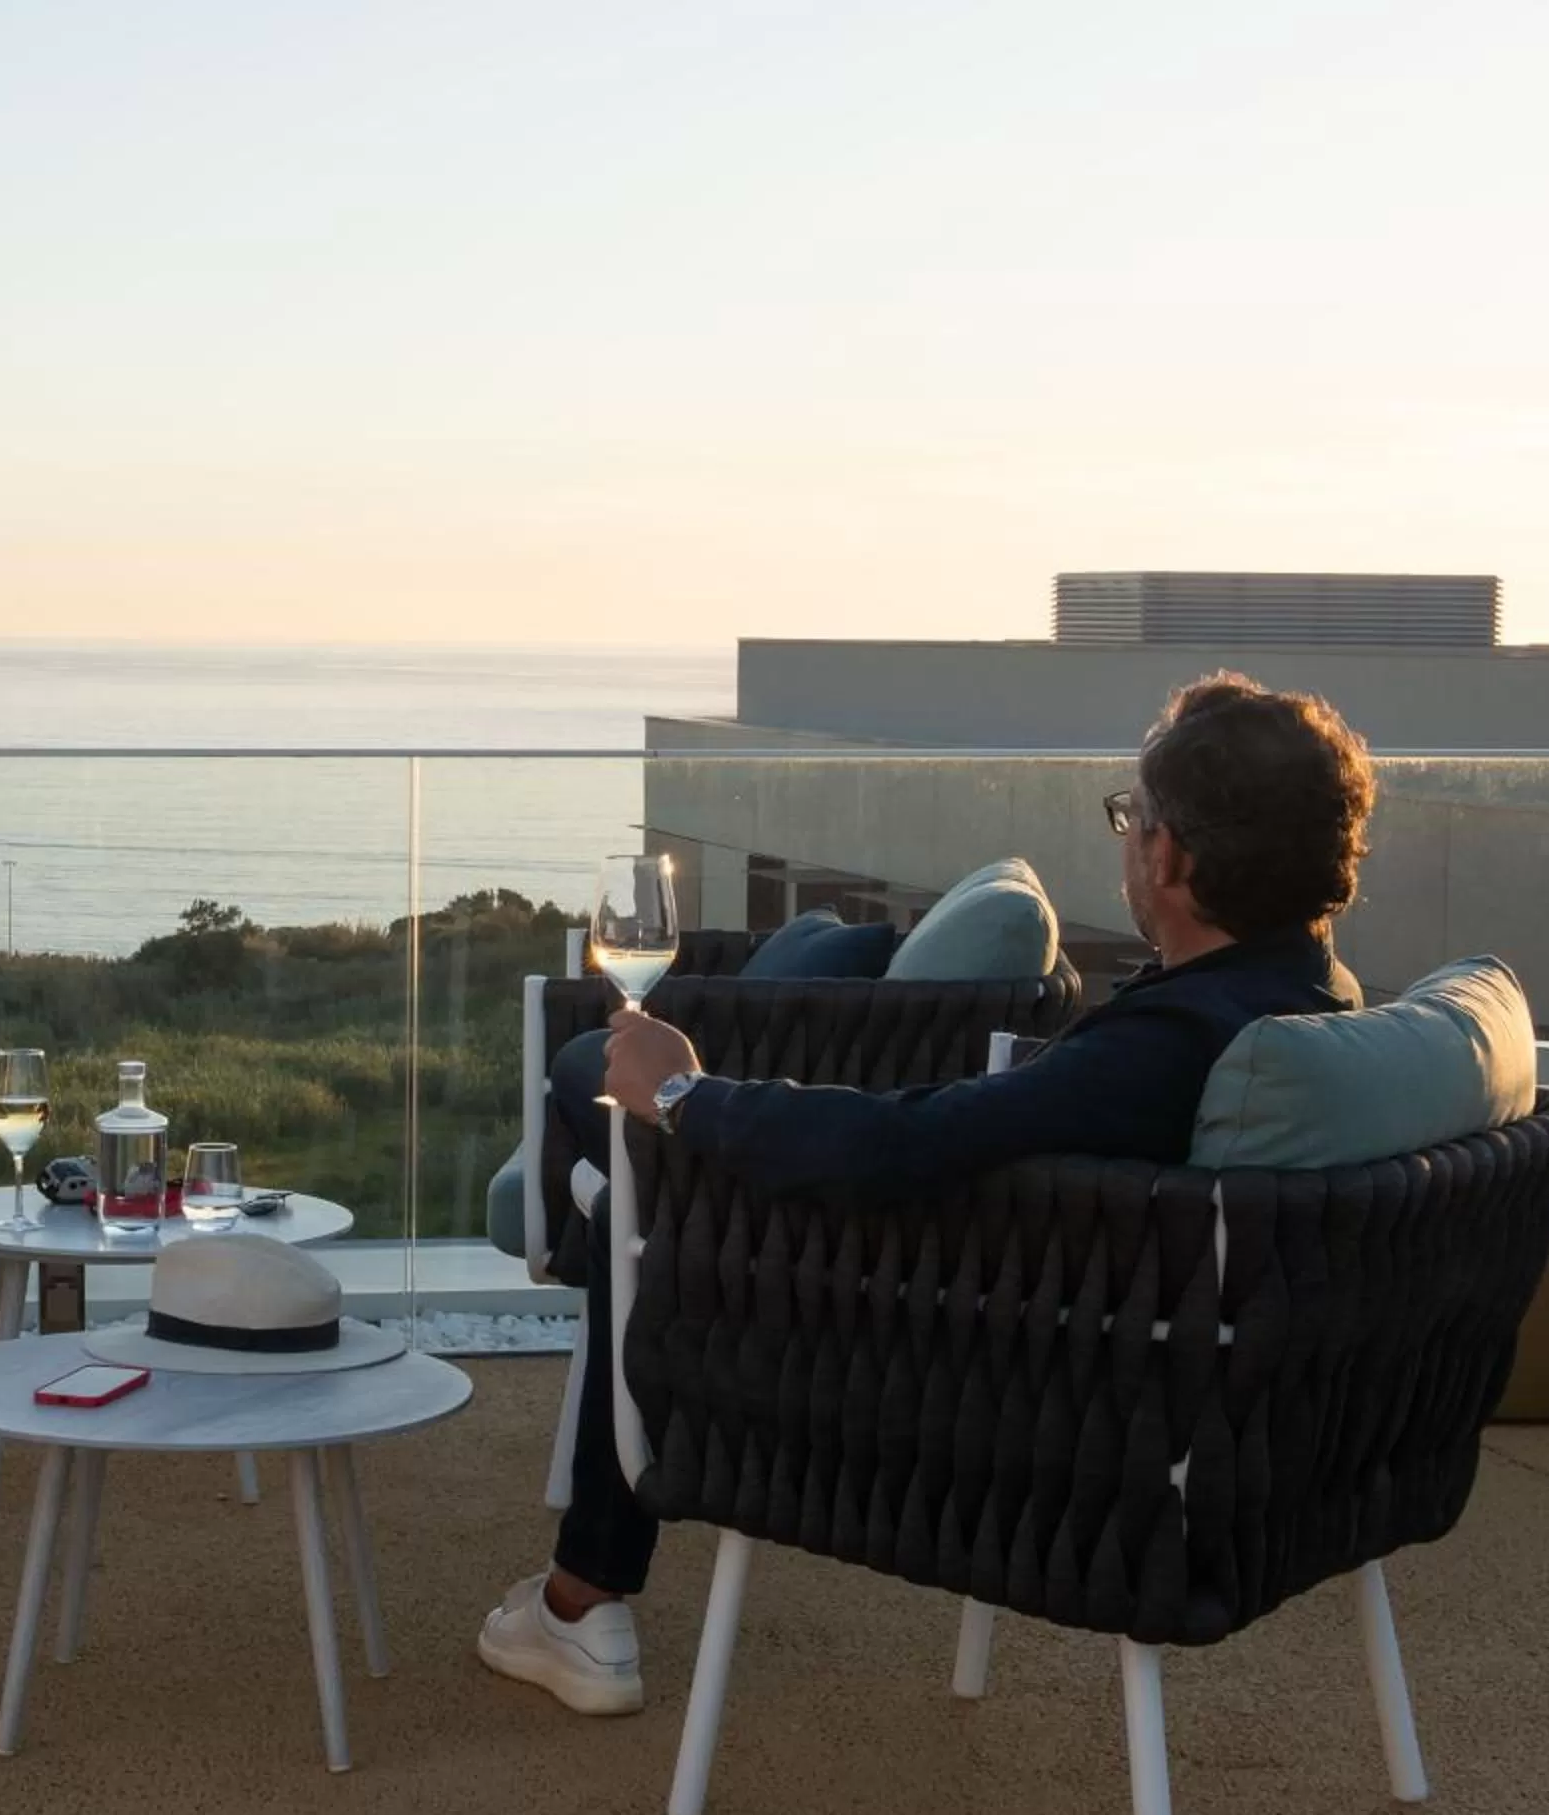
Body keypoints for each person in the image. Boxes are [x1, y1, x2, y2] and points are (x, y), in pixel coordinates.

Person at [477, 673, 1377, 1715]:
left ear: (1168, 856)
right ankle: (583, 1568)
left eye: (1132, 818)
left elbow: (900, 1153)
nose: (1126, 839)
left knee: (628, 1165)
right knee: (629, 1208)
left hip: (970, 1373)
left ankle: (584, 1598)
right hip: (1143, 1364)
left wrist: (685, 1094)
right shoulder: (1315, 1004)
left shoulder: (1170, 1045)